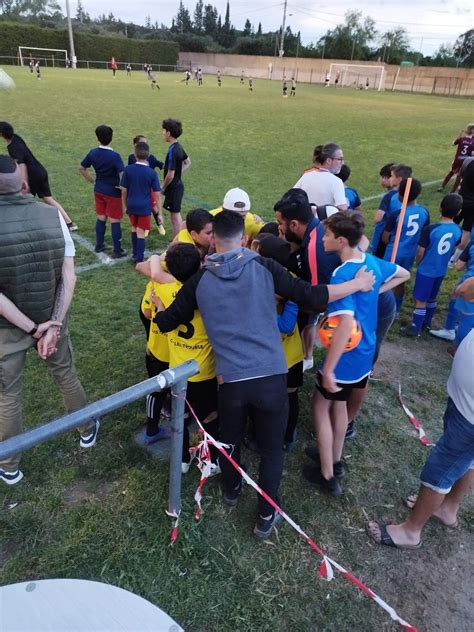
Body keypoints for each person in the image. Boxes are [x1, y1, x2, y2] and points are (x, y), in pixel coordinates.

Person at [154, 210, 376, 539]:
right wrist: (357, 283)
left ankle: (231, 490)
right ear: (243, 239)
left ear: (213, 239)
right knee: (272, 450)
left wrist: (159, 309)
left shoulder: (200, 280)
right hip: (272, 378)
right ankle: (266, 514)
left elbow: (168, 320)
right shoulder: (264, 266)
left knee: (229, 442)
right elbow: (312, 296)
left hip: (230, 384)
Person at [0, 156, 99, 486]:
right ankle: (87, 428)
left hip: (9, 330)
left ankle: (10, 464)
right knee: (65, 373)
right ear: (24, 186)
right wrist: (52, 324)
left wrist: (34, 328)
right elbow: (69, 279)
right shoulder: (52, 215)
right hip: (50, 319)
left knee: (8, 396)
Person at [303, 212, 409, 496]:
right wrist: (375, 291)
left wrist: (330, 369)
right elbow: (403, 273)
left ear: (339, 240)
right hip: (366, 354)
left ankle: (326, 476)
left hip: (346, 358)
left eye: (326, 235)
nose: (322, 239)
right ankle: (335, 461)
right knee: (339, 406)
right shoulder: (371, 262)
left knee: (320, 405)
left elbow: (345, 324)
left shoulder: (343, 274)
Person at [367, 328, 474, 549]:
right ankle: (447, 508)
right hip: (466, 404)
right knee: (466, 459)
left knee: (441, 468)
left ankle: (410, 531)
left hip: (471, 417)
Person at [147, 244, 219, 472]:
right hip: (204, 371)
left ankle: (182, 461)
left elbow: (152, 315)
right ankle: (211, 460)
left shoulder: (163, 290)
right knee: (210, 416)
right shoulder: (209, 294)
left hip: (177, 371)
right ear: (200, 265)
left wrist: (159, 308)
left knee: (181, 416)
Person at [274, 188, 341, 371]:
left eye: (280, 223)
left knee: (338, 372)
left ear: (294, 225)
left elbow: (318, 300)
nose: (278, 227)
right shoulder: (316, 230)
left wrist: (287, 299)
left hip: (356, 308)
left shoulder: (314, 250)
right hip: (349, 296)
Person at [0, 121, 78, 231]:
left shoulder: (13, 148)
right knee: (48, 199)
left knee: (23, 201)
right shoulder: (16, 138)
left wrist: (23, 182)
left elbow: (22, 165)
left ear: (2, 134)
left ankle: (26, 226)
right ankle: (69, 223)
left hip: (33, 176)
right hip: (40, 171)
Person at [403, 194, 462, 337]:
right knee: (432, 298)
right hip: (441, 270)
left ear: (440, 208)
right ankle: (427, 322)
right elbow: (454, 249)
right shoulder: (458, 230)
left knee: (420, 299)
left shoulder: (430, 229)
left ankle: (415, 328)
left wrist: (419, 262)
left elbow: (420, 252)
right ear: (459, 212)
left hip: (426, 270)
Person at [382, 178, 430, 314]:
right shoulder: (424, 212)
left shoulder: (396, 214)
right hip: (409, 254)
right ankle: (396, 310)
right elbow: (423, 235)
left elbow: (385, 237)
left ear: (400, 196)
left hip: (393, 253)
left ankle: (384, 308)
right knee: (400, 281)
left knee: (385, 280)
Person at [79, 124, 126, 258]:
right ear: (111, 138)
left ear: (97, 138)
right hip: (113, 192)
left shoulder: (93, 153)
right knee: (115, 220)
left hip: (99, 189)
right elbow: (122, 173)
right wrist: (123, 187)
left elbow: (82, 168)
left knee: (101, 217)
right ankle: (117, 250)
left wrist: (93, 181)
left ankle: (99, 245)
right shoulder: (115, 156)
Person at [121, 142, 163, 263]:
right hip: (144, 206)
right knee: (140, 231)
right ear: (148, 155)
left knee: (134, 228)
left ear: (135, 155)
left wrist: (124, 205)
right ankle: (139, 259)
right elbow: (157, 194)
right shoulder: (151, 173)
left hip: (131, 204)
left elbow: (124, 190)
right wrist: (159, 213)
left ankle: (135, 254)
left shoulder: (128, 169)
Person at [371, 163, 412, 256]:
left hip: (383, 235)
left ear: (399, 180)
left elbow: (378, 219)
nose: (390, 178)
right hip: (399, 237)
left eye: (392, 176)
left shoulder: (389, 196)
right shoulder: (409, 196)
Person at [293, 143, 347, 210]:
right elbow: (343, 212)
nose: (343, 163)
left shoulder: (306, 176)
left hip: (305, 219)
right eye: (340, 159)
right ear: (329, 161)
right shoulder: (336, 181)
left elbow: (290, 198)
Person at [161, 118, 191, 239]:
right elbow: (188, 162)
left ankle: (178, 242)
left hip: (173, 187)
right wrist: (179, 173)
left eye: (163, 131)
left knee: (175, 217)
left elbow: (170, 175)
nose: (163, 133)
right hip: (177, 185)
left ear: (168, 133)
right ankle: (177, 241)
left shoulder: (173, 150)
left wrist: (163, 187)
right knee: (175, 216)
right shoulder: (178, 146)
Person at [438, 124, 474, 193]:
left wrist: (460, 134)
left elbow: (453, 143)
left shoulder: (461, 139)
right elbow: (472, 153)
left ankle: (441, 187)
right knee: (459, 177)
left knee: (450, 173)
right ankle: (452, 192)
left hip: (457, 160)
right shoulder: (473, 142)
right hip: (464, 162)